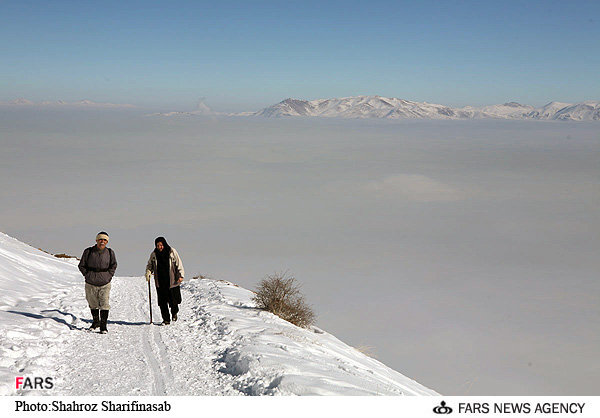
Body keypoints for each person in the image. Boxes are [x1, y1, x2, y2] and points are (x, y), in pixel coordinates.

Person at [78, 231, 117, 334]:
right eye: (100, 239)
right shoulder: (88, 251)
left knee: (104, 303)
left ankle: (103, 326)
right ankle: (96, 322)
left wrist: (109, 276)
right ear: (96, 240)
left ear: (107, 241)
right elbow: (81, 265)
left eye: (104, 240)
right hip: (90, 282)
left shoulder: (110, 252)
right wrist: (87, 275)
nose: (102, 241)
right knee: (93, 303)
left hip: (105, 282)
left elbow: (113, 265)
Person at [145, 237, 185, 325]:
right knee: (162, 302)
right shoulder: (154, 254)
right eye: (158, 245)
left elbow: (179, 263)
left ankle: (174, 312)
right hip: (160, 281)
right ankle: (166, 319)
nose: (160, 247)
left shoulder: (171, 251)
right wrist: (148, 272)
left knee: (173, 301)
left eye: (161, 245)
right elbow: (149, 265)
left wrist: (181, 275)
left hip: (172, 280)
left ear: (164, 244)